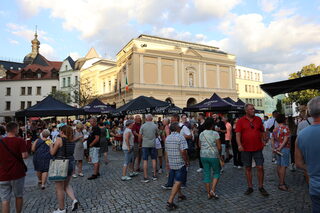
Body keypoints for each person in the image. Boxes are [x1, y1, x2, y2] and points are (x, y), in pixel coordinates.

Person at [236, 104, 269, 196]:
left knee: (260, 167)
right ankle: (250, 187)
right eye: (251, 109)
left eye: (253, 109)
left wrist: (263, 140)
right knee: (248, 168)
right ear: (246, 111)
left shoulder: (258, 120)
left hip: (258, 147)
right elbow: (238, 134)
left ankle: (261, 186)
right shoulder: (240, 121)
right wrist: (239, 145)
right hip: (245, 148)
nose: (253, 110)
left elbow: (262, 131)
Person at [296, 96, 320, 213]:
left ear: (310, 112)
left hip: (315, 187)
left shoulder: (301, 135)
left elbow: (299, 163)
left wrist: (312, 167)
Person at [0, 122, 28, 213]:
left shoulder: (1, 141)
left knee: (5, 200)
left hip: (3, 174)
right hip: (17, 173)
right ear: (15, 129)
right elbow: (24, 156)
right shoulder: (20, 140)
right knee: (18, 196)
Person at [50, 125, 78, 213]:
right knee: (66, 185)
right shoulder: (72, 140)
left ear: (62, 132)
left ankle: (61, 209)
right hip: (71, 163)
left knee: (59, 188)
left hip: (61, 164)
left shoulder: (59, 140)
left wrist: (51, 145)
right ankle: (74, 200)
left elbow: (52, 152)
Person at [165, 122, 188, 210]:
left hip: (171, 162)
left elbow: (166, 151)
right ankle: (170, 202)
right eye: (179, 128)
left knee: (176, 181)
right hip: (179, 162)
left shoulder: (167, 138)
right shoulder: (180, 137)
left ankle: (180, 195)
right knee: (178, 181)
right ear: (177, 129)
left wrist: (167, 162)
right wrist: (186, 161)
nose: (180, 129)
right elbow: (183, 152)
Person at [199, 117, 222, 199]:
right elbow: (219, 147)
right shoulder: (215, 134)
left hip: (203, 155)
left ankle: (208, 193)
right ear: (212, 125)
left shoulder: (201, 134)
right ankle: (212, 190)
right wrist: (219, 155)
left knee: (206, 173)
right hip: (213, 155)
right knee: (216, 172)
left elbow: (199, 145)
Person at [271, 114, 290, 191]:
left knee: (279, 165)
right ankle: (281, 184)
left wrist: (274, 148)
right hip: (284, 148)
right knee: (283, 166)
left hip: (277, 149)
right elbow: (285, 140)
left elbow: (272, 140)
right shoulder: (286, 128)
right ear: (284, 119)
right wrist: (280, 148)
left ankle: (281, 181)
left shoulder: (275, 129)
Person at [140, 114, 158, 182]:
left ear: (146, 119)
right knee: (154, 159)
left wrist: (140, 142)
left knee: (145, 160)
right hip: (153, 144)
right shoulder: (155, 125)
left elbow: (140, 135)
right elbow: (157, 135)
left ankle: (145, 176)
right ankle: (155, 175)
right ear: (152, 119)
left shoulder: (143, 125)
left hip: (145, 144)